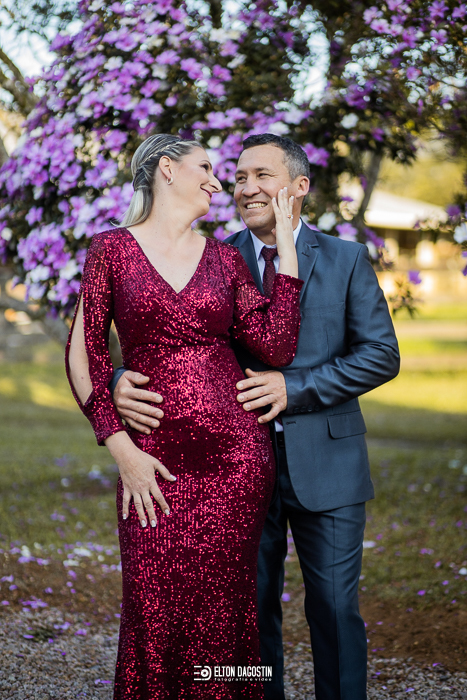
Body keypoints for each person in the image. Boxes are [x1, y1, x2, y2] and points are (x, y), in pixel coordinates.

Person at [111, 133, 400, 700]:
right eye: (240, 177)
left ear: (299, 186)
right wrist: (120, 380)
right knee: (248, 611)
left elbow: (380, 355)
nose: (246, 188)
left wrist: (295, 389)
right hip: (229, 471)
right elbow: (158, 337)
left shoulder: (345, 259)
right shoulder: (211, 256)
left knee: (334, 609)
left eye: (262, 176)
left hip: (329, 463)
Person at [65, 133, 304, 699]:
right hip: (151, 459)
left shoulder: (224, 258)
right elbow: (83, 353)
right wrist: (120, 448)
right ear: (167, 170)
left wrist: (286, 246)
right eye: (206, 168)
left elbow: (276, 345)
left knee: (227, 612)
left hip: (236, 461)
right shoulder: (110, 250)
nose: (218, 183)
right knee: (152, 605)